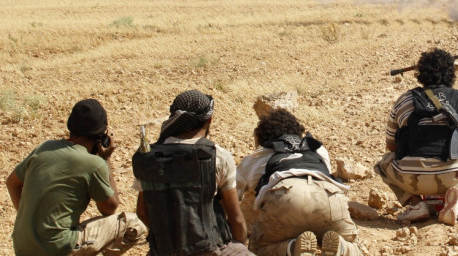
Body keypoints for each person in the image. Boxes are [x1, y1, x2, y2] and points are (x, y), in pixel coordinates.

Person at [6, 98, 147, 256]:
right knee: (133, 224)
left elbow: (12, 183)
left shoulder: (44, 148)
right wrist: (105, 159)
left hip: (22, 245)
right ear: (101, 136)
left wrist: (31, 223)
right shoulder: (93, 163)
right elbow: (109, 208)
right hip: (57, 247)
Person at [132, 89, 252, 255]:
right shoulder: (218, 156)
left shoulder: (149, 158)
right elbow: (236, 218)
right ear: (209, 119)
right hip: (210, 249)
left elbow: (142, 212)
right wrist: (239, 246)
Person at [374, 48, 458, 225]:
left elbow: (391, 146)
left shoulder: (404, 100)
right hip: (455, 177)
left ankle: (415, 203)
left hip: (411, 178)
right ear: (451, 74)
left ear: (420, 74)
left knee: (383, 164)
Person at [236, 108, 363, 256]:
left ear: (263, 137)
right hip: (329, 198)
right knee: (353, 244)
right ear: (297, 131)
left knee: (256, 249)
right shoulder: (318, 149)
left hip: (285, 199)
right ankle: (342, 248)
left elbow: (230, 194)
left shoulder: (255, 158)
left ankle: (292, 248)